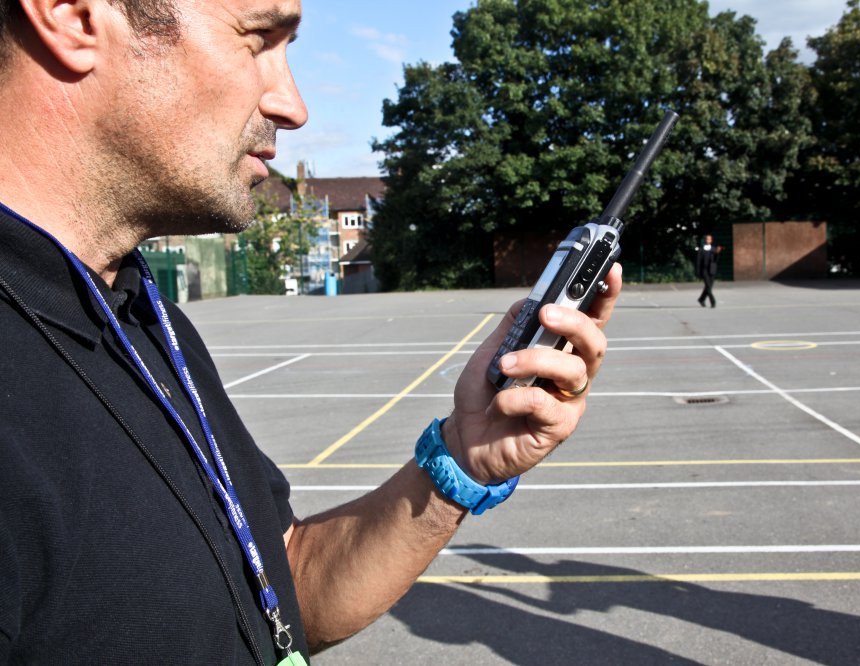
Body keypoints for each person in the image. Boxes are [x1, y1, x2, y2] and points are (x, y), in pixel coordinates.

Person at [0, 1, 622, 664]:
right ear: (70, 16)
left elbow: (283, 581)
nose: (293, 104)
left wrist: (462, 460)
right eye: (258, 39)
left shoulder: (136, 312)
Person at [695, 233, 722, 308]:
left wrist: (717, 253)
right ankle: (713, 301)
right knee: (708, 286)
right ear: (704, 240)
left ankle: (701, 299)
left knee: (708, 287)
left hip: (712, 270)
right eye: (707, 239)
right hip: (704, 270)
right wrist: (698, 272)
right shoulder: (701, 250)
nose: (708, 240)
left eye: (709, 239)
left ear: (711, 240)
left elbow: (716, 260)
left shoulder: (713, 249)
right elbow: (698, 261)